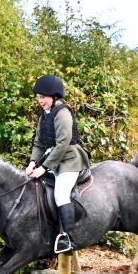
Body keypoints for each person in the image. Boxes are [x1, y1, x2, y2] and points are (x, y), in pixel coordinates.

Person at [24, 75, 90, 253]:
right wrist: (32, 163)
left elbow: (62, 144)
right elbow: (39, 143)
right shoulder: (44, 115)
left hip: (70, 160)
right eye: (38, 97)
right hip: (53, 159)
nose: (39, 101)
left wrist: (44, 168)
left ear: (54, 96)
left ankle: (68, 239)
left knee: (60, 194)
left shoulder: (62, 113)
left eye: (42, 97)